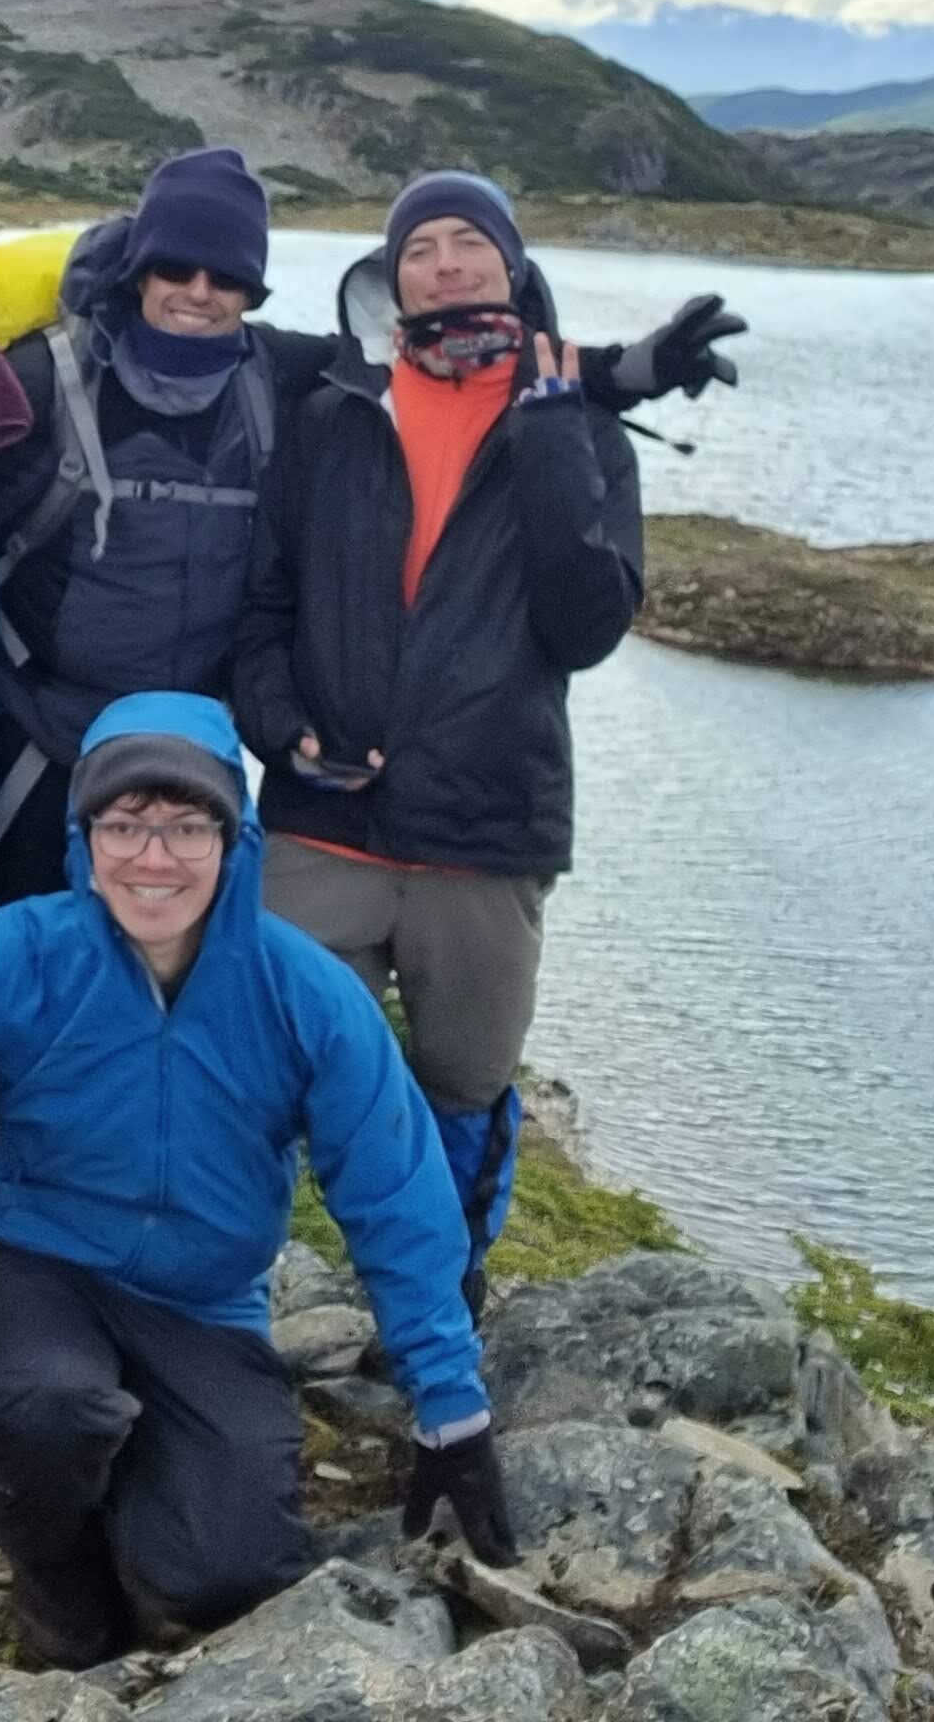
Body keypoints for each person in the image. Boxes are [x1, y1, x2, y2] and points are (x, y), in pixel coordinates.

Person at [0, 694, 514, 1669]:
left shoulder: (302, 991)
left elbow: (396, 1200)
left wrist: (452, 1411)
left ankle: (133, 1484)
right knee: (44, 1405)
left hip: (205, 1303)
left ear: (234, 838)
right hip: (37, 1260)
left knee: (230, 1573)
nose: (153, 857)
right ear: (85, 834)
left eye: (186, 825)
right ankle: (63, 1590)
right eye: (125, 823)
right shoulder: (21, 951)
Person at [0, 147, 738, 917]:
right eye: (176, 268)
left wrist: (621, 372)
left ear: (252, 291)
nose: (199, 294)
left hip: (191, 750)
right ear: (140, 270)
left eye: (227, 276)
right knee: (2, 972)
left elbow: (445, 354)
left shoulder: (273, 375)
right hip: (41, 744)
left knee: (160, 992)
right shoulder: (42, 382)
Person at [236, 171, 644, 1334]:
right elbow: (262, 607)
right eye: (423, 247)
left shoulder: (584, 427)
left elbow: (588, 627)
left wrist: (558, 432)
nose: (448, 263)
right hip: (326, 825)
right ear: (391, 277)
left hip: (485, 832)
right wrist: (281, 727)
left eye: (473, 242)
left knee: (463, 1086)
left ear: (513, 268)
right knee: (283, 1071)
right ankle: (224, 1304)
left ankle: (438, 1309)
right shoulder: (333, 412)